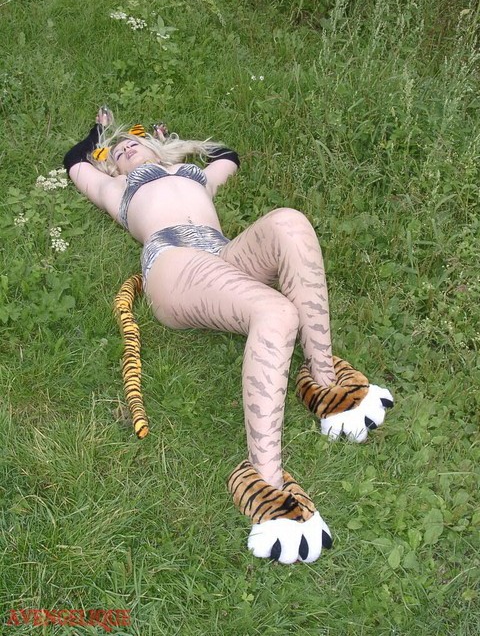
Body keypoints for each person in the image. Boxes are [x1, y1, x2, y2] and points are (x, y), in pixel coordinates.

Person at [63, 107, 393, 564]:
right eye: (117, 151)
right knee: (276, 313)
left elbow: (226, 155)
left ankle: (326, 383)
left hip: (222, 252)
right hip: (174, 259)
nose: (125, 147)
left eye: (132, 140)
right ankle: (268, 486)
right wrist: (98, 132)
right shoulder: (115, 188)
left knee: (289, 222)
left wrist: (171, 142)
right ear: (111, 164)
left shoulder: (194, 174)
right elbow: (74, 162)